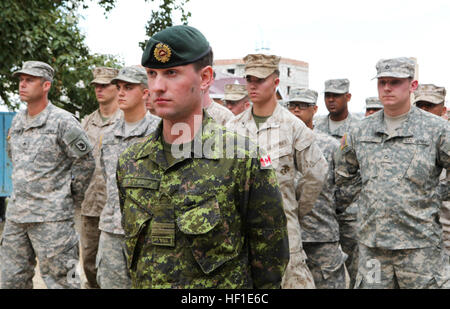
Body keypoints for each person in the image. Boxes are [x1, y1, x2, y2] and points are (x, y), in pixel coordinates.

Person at [116, 25, 290, 289]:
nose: (158, 87)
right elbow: (132, 255)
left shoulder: (241, 159)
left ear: (206, 78)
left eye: (171, 73)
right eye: (152, 74)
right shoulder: (131, 162)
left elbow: (269, 263)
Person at [335, 57, 450, 289]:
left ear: (412, 85)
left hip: (419, 244)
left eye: (395, 82)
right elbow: (345, 175)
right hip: (373, 246)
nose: (387, 88)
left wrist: (435, 195)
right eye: (382, 82)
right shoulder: (361, 130)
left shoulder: (436, 129)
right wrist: (367, 203)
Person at [227, 54, 328, 289]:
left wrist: (291, 208)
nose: (252, 85)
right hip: (241, 234)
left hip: (283, 233)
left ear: (275, 82)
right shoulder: (232, 128)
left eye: (260, 79)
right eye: (249, 78)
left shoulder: (293, 126)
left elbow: (316, 173)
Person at [2, 61, 94, 289]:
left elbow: (86, 162)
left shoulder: (63, 121)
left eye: (29, 80)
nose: (22, 85)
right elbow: (14, 156)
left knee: (65, 281)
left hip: (53, 220)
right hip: (17, 217)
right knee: (11, 280)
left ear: (46, 86)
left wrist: (67, 196)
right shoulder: (18, 120)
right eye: (21, 80)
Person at [96, 66, 159, 289]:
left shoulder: (160, 132)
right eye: (119, 87)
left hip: (149, 234)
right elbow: (108, 178)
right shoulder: (109, 134)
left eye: (128, 88)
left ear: (145, 93)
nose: (121, 92)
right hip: (112, 230)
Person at [287, 88, 347, 289]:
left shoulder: (330, 145)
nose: (296, 110)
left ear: (314, 109)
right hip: (288, 236)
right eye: (292, 105)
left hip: (321, 235)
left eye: (302, 106)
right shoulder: (276, 144)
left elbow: (345, 189)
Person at [314, 78, 360, 287]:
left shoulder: (358, 128)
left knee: (358, 266)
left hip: (352, 210)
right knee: (326, 270)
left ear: (348, 97)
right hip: (323, 211)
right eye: (327, 95)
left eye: (336, 96)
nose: (331, 100)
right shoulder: (316, 126)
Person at [80, 66, 122, 289]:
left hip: (116, 208)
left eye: (105, 85)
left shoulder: (126, 120)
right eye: (96, 85)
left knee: (115, 266)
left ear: (117, 87)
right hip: (90, 204)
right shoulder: (86, 122)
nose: (99, 89)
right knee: (89, 263)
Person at [413, 84, 450, 257]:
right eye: (420, 106)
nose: (424, 111)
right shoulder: (403, 141)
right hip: (415, 234)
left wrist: (430, 193)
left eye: (429, 106)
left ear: (443, 109)